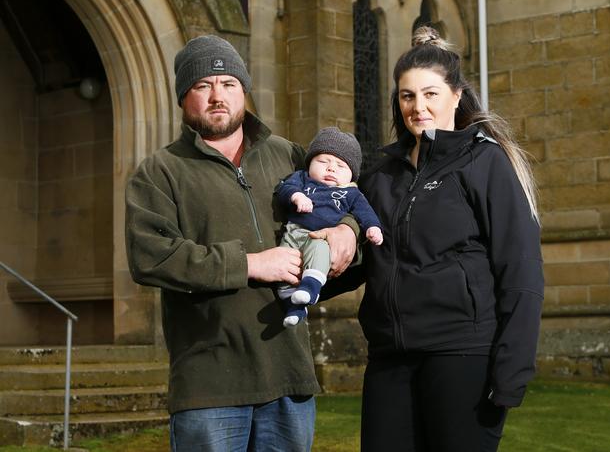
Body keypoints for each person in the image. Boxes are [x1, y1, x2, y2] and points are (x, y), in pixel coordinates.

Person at [124, 35, 358, 452]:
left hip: (288, 376)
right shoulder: (160, 172)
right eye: (203, 85)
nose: (218, 96)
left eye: (229, 83)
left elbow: (344, 201)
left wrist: (349, 231)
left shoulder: (288, 156)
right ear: (184, 97)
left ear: (244, 91)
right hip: (209, 387)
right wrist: (248, 263)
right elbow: (151, 257)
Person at [320, 26, 544, 452]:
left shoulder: (485, 163)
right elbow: (364, 258)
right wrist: (299, 277)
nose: (418, 107)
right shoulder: (381, 175)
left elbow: (520, 268)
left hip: (462, 356)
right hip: (390, 359)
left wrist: (512, 370)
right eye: (407, 96)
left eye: (430, 94)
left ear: (456, 97)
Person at [275, 127, 383, 327]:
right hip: (293, 232)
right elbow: (284, 188)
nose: (331, 168)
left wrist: (372, 228)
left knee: (319, 253)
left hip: (320, 238)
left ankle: (311, 286)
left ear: (351, 175)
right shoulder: (302, 178)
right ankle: (295, 309)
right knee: (283, 268)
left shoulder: (351, 194)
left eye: (340, 166)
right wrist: (296, 196)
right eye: (323, 161)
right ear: (310, 164)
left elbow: (365, 213)